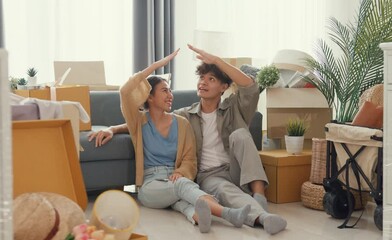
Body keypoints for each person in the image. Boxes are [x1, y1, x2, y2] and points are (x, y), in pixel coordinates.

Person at [90, 45, 287, 235]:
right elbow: (148, 120)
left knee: (240, 134)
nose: (203, 82)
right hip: (207, 177)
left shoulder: (230, 109)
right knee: (224, 193)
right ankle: (261, 217)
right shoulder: (185, 115)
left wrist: (217, 60)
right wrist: (114, 128)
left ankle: (259, 196)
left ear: (224, 87)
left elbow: (249, 86)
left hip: (234, 168)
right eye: (201, 77)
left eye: (211, 79)